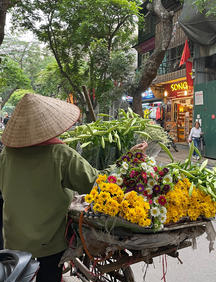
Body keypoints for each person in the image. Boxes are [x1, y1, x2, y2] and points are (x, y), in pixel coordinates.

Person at [0, 93, 147, 282]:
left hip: (14, 240)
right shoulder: (60, 154)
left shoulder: (6, 156)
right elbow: (97, 183)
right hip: (49, 243)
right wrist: (127, 160)